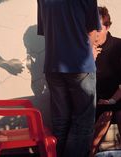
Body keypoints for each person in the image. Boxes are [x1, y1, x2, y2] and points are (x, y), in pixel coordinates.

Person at [37, 1, 101, 157]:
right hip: (80, 65)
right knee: (83, 123)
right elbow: (92, 31)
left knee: (60, 121)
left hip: (53, 65)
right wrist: (88, 52)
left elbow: (46, 29)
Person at [90, 6, 121, 157]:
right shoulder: (84, 49)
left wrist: (111, 101)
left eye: (98, 28)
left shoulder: (118, 46)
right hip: (92, 102)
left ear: (107, 27)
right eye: (91, 29)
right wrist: (89, 59)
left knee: (116, 110)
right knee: (92, 140)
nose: (95, 34)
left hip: (115, 98)